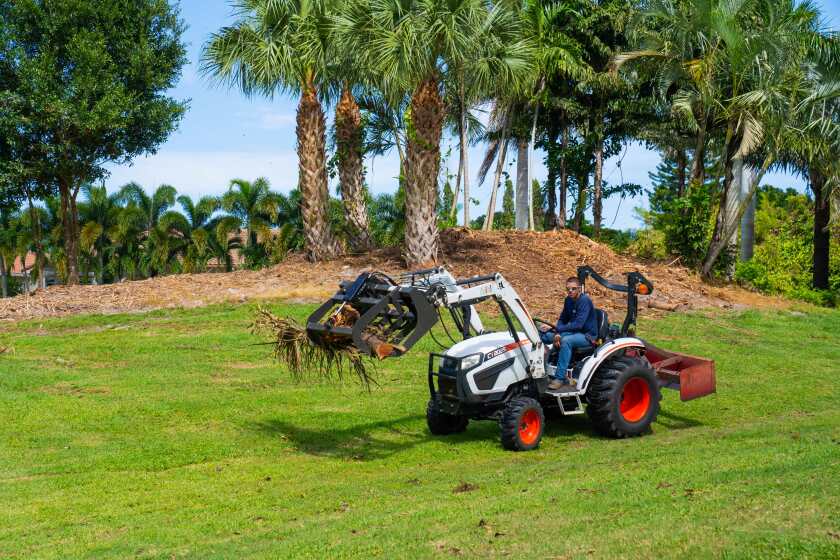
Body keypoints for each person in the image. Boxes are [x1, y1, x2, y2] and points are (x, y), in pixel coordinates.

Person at [539, 276, 598, 389]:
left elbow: (578, 325)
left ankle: (559, 378)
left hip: (587, 335)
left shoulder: (584, 301)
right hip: (571, 332)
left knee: (565, 341)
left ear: (579, 289)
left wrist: (559, 332)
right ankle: (541, 369)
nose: (570, 291)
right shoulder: (568, 300)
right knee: (543, 335)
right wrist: (556, 332)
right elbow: (562, 319)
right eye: (568, 289)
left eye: (573, 289)